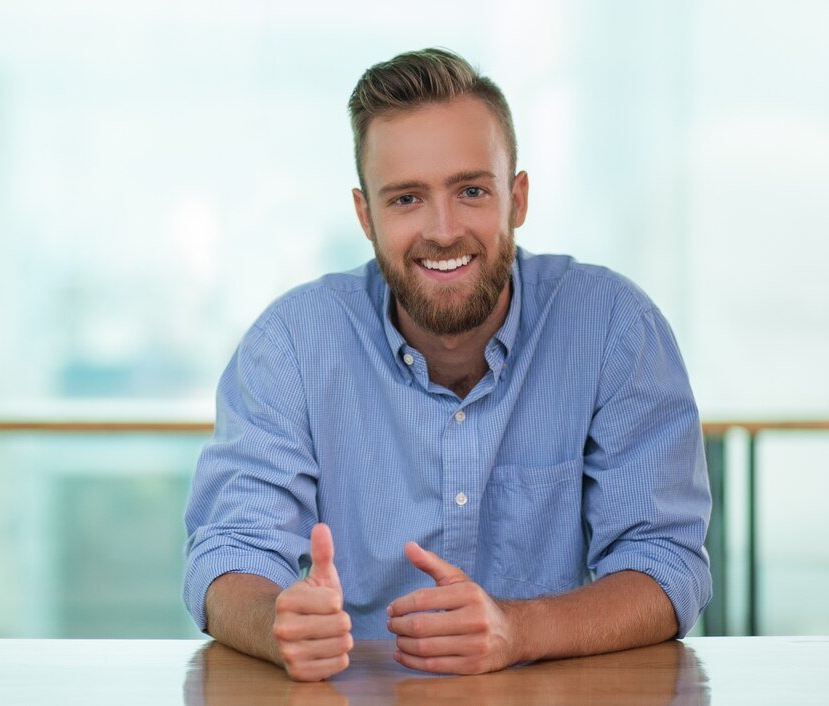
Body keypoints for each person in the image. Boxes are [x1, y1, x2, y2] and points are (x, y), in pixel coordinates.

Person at [183, 48, 712, 683]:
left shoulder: (614, 329)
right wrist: (277, 623)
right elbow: (227, 552)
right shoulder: (291, 343)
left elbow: (666, 562)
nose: (442, 229)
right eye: (406, 198)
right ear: (366, 217)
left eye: (470, 191)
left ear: (516, 199)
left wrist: (519, 629)